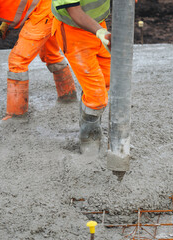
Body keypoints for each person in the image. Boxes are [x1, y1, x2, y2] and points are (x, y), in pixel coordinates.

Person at [0, 0, 77, 120]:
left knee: (17, 61)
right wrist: (7, 22)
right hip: (48, 6)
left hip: (43, 12)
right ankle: (68, 95)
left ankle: (17, 114)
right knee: (50, 54)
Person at [51, 0, 111, 153]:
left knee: (107, 80)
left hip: (97, 24)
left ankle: (91, 116)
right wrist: (101, 33)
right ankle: (89, 139)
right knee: (96, 95)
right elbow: (75, 11)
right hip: (73, 30)